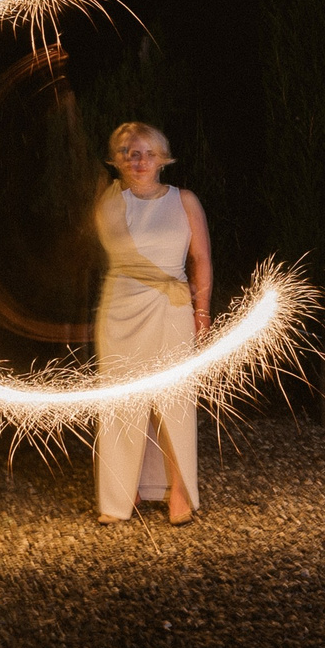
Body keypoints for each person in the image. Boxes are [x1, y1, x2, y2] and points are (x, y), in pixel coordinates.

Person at [92, 122, 213, 524]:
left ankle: (178, 489)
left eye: (146, 153)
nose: (137, 160)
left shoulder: (185, 201)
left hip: (173, 311)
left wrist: (202, 311)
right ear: (117, 160)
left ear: (162, 158)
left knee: (175, 402)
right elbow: (122, 255)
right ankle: (121, 495)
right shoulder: (110, 202)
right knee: (121, 403)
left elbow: (202, 261)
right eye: (128, 152)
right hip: (121, 310)